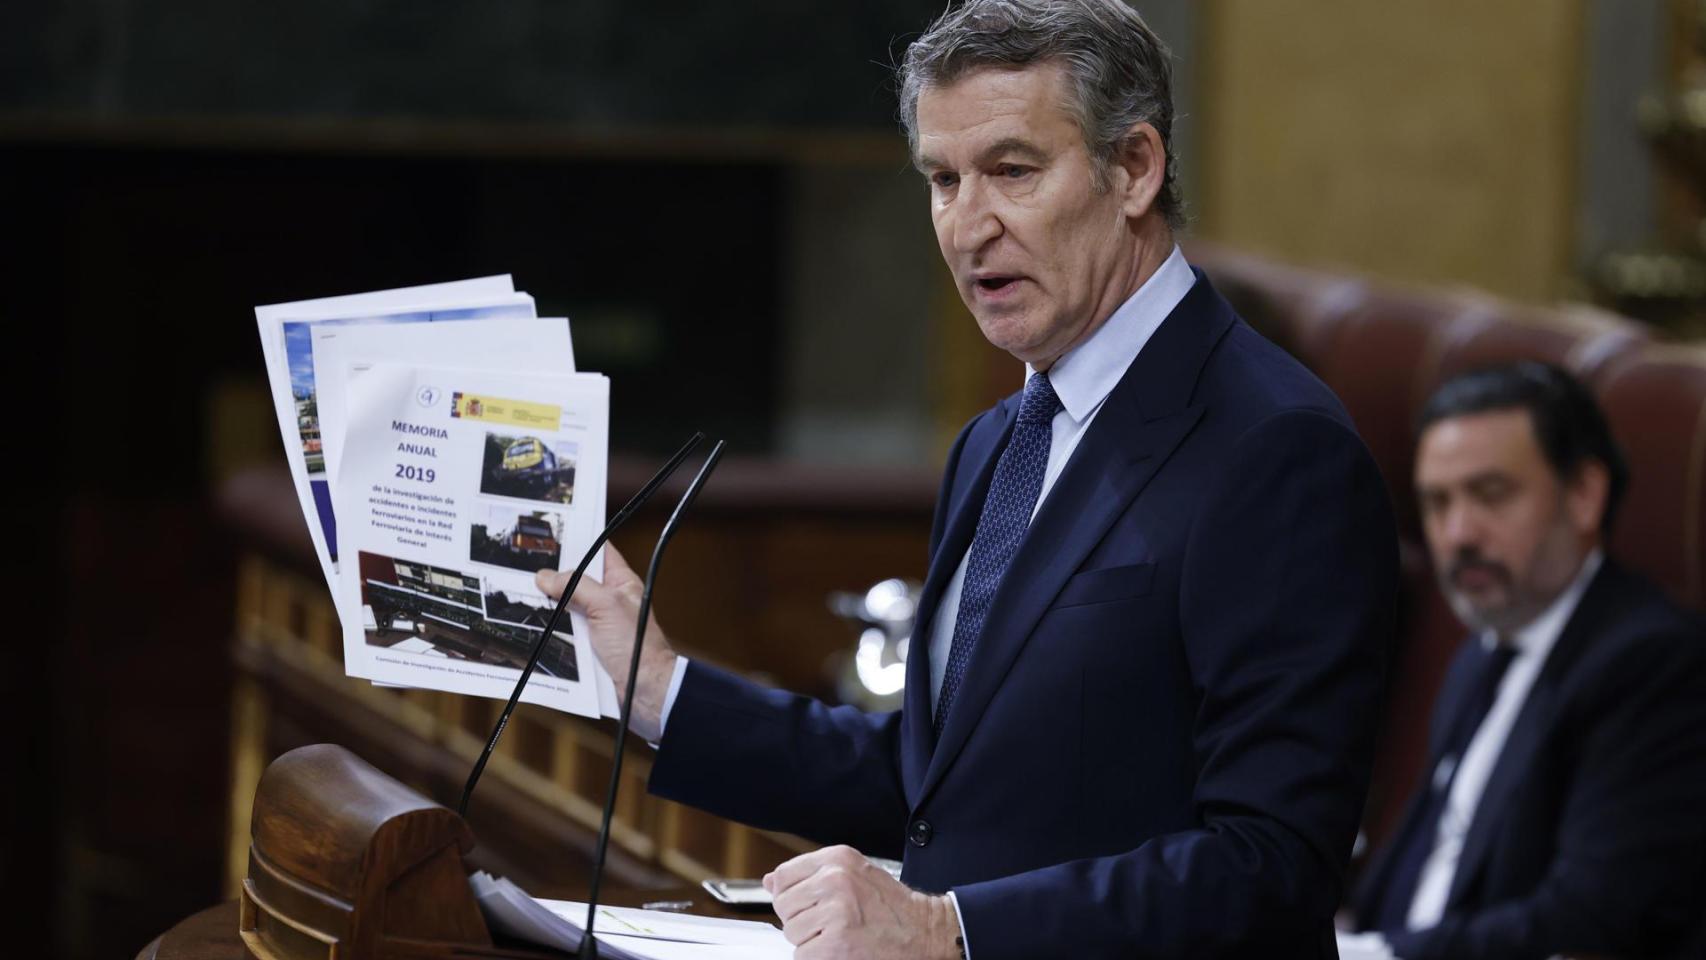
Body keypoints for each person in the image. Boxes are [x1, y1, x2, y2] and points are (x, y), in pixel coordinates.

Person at [541, 1, 1397, 956]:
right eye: (943, 180)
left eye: (1012, 172)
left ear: (1135, 169)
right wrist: (657, 687)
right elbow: (942, 783)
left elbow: (1272, 865)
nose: (967, 225)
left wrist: (952, 930)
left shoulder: (1276, 447)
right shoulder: (997, 441)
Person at [1348, 362, 1706, 960]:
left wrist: (1374, 955)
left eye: (1491, 494)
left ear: (1584, 495)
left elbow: (1590, 921)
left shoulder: (1651, 665)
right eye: (1437, 503)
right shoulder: (1483, 650)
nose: (1458, 533)